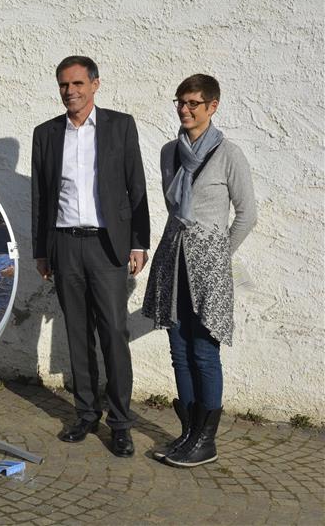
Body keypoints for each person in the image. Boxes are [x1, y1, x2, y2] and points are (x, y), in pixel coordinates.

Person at [31, 56, 150, 457]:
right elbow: (41, 196)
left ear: (95, 85)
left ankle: (121, 423)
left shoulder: (120, 126)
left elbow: (136, 186)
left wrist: (139, 242)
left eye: (78, 83)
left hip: (106, 245)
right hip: (64, 244)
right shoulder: (46, 134)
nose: (71, 91)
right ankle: (85, 414)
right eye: (64, 85)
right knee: (77, 332)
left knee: (113, 332)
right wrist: (41, 250)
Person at [143, 74, 256, 467]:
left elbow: (247, 214)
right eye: (180, 102)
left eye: (193, 103)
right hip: (172, 261)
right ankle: (189, 433)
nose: (185, 109)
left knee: (204, 352)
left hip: (209, 269)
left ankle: (206, 441)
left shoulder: (228, 154)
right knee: (179, 350)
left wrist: (218, 253)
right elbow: (174, 210)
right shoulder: (168, 152)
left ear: (212, 106)